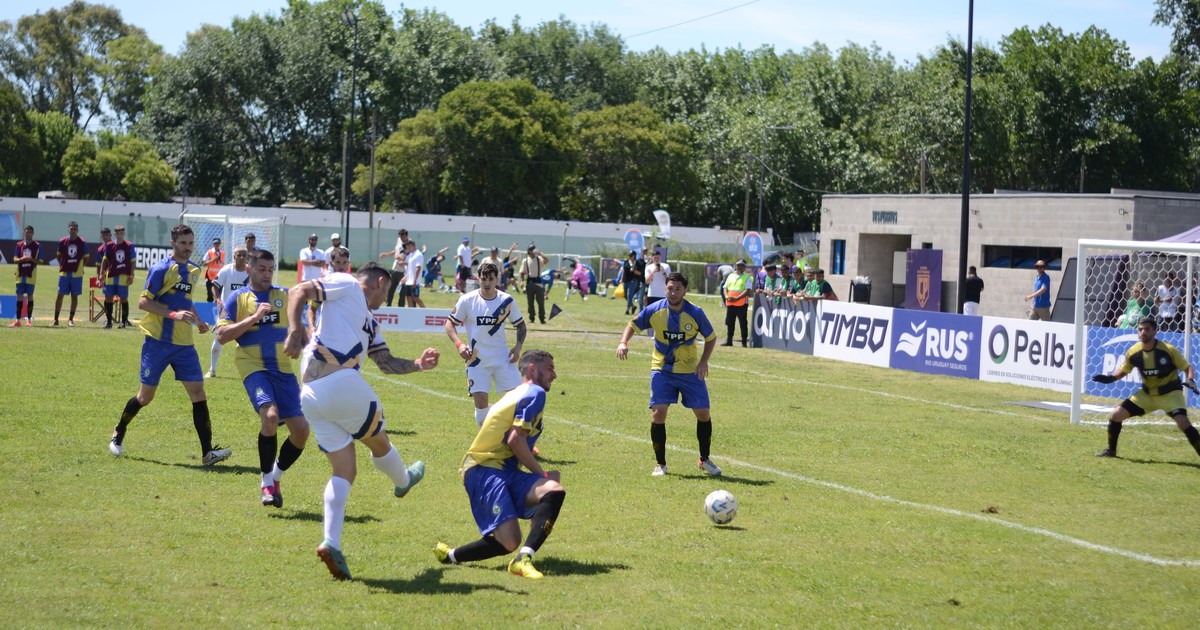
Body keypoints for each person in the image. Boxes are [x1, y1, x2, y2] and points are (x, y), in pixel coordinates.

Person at [283, 262, 439, 581]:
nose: (387, 297)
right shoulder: (348, 283)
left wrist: (418, 364)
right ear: (380, 281)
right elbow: (298, 290)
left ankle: (331, 541)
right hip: (340, 383)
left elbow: (386, 362)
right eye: (388, 290)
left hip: (311, 395)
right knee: (380, 443)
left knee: (344, 471)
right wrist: (295, 331)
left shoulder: (370, 322)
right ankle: (403, 480)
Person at [434, 349, 565, 580]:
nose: (554, 375)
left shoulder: (517, 392)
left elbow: (513, 440)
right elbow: (515, 440)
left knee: (547, 497)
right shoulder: (534, 392)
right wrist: (541, 473)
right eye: (549, 369)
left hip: (503, 470)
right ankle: (519, 559)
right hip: (484, 470)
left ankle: (452, 556)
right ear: (532, 369)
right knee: (512, 537)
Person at [108, 224, 232, 466]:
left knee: (198, 394)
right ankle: (119, 431)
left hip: (184, 344)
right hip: (157, 342)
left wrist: (198, 320)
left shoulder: (194, 270)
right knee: (145, 397)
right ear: (172, 243)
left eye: (191, 243)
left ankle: (208, 453)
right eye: (183, 243)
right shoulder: (161, 269)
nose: (188, 247)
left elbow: (186, 300)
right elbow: (143, 302)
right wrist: (173, 315)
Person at [216, 249, 309, 508]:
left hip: (283, 370)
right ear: (249, 269)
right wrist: (254, 318)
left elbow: (301, 331)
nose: (267, 274)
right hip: (253, 366)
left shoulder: (284, 295)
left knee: (301, 432)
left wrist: (311, 349)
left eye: (270, 269)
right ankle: (266, 482)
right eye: (261, 269)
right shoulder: (238, 298)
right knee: (270, 417)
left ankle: (275, 476)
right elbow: (221, 336)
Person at [616, 272, 722, 477]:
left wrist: (703, 362)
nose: (673, 293)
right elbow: (632, 324)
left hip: (690, 370)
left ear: (685, 291)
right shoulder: (654, 310)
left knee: (703, 414)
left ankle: (704, 459)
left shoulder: (695, 313)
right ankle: (661, 464)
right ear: (665, 289)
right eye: (670, 289)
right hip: (662, 370)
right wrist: (623, 342)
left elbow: (711, 337)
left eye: (678, 289)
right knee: (658, 414)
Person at [1091, 317, 1200, 459]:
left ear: (1154, 331)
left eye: (1147, 329)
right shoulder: (1133, 352)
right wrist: (1110, 378)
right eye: (1140, 329)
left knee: (1183, 422)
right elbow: (1124, 370)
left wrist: (1190, 380)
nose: (1143, 332)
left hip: (1170, 394)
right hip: (1147, 395)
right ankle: (1111, 451)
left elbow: (1187, 367)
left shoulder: (1168, 350)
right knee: (1116, 414)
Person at [445, 262, 527, 427]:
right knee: (481, 404)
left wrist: (518, 347)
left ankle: (515, 437)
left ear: (497, 279)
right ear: (478, 279)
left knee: (519, 400)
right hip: (477, 361)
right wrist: (459, 344)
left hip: (502, 359)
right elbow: (450, 324)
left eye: (491, 279)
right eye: (483, 279)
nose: (487, 283)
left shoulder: (506, 301)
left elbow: (521, 326)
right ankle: (486, 439)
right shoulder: (467, 300)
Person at [205, 246, 250, 378]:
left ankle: (251, 370)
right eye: (239, 255)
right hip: (227, 311)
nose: (241, 257)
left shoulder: (251, 272)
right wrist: (218, 299)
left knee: (250, 341)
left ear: (247, 257)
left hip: (246, 311)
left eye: (244, 255)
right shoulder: (227, 269)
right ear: (234, 256)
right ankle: (212, 369)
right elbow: (215, 286)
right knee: (219, 337)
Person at [99, 225, 136, 329]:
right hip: (110, 276)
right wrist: (101, 273)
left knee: (123, 299)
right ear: (114, 234)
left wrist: (131, 275)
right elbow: (105, 260)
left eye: (121, 233)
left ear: (124, 234)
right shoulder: (109, 245)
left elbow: (133, 262)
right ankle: (108, 321)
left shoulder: (129, 245)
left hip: (123, 276)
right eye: (118, 233)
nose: (120, 235)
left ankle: (123, 322)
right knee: (108, 298)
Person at [53, 221, 88, 327]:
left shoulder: (82, 242)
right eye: (71, 229)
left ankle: (71, 319)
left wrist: (80, 267)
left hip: (77, 274)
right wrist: (65, 265)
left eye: (75, 229)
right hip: (64, 273)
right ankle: (55, 319)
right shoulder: (63, 241)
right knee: (60, 295)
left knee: (74, 296)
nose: (73, 231)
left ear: (78, 230)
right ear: (68, 229)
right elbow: (59, 255)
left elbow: (86, 257)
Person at [11, 225, 40, 326]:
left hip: (31, 275)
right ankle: (18, 320)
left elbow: (40, 261)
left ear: (33, 233)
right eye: (27, 232)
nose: (28, 234)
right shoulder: (19, 245)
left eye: (30, 232)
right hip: (20, 275)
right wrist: (21, 259)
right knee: (19, 296)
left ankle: (29, 320)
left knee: (30, 296)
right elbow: (14, 259)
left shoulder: (37, 246)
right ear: (24, 232)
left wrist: (31, 259)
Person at [299, 233, 328, 326]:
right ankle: (302, 320)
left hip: (317, 279)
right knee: (304, 299)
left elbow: (322, 264)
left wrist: (310, 262)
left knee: (317, 299)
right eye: (312, 239)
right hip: (306, 278)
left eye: (315, 240)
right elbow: (304, 262)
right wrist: (315, 261)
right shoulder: (304, 251)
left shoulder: (321, 252)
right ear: (309, 240)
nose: (313, 241)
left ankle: (316, 319)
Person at [722, 260, 753, 347]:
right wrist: (726, 296)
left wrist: (737, 298)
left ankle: (744, 342)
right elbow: (725, 287)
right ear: (736, 266)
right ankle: (729, 341)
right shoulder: (731, 276)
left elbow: (747, 291)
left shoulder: (747, 277)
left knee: (743, 323)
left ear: (744, 267)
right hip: (730, 303)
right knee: (730, 322)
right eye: (738, 265)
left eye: (742, 266)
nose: (740, 267)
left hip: (741, 303)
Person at [377, 229, 409, 307]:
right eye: (400, 237)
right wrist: (387, 254)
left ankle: (401, 308)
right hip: (395, 269)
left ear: (406, 236)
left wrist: (401, 259)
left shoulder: (409, 244)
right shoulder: (399, 240)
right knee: (390, 289)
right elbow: (396, 251)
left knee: (402, 291)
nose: (402, 239)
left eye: (403, 237)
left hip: (403, 271)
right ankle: (388, 306)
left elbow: (410, 258)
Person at [519, 245, 549, 324]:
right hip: (529, 281)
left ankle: (542, 318)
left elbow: (546, 260)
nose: (532, 251)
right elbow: (522, 272)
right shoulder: (525, 260)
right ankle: (531, 318)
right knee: (530, 302)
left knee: (541, 302)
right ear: (528, 251)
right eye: (531, 249)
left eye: (533, 249)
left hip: (538, 281)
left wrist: (540, 254)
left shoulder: (539, 259)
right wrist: (521, 282)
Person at [401, 240, 426, 307]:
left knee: (415, 298)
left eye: (408, 246)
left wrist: (415, 280)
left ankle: (425, 310)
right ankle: (411, 312)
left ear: (412, 245)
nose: (407, 248)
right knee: (409, 298)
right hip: (408, 281)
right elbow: (409, 267)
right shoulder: (410, 255)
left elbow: (418, 268)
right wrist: (405, 277)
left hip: (415, 282)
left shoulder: (418, 254)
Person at [201, 237, 225, 302]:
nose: (216, 245)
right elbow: (204, 263)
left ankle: (218, 306)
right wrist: (213, 260)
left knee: (219, 295)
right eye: (215, 243)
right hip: (210, 276)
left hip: (220, 276)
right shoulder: (209, 252)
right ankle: (210, 307)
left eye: (218, 243)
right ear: (213, 244)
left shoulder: (223, 253)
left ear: (219, 244)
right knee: (210, 295)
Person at [621, 251, 643, 315]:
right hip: (625, 280)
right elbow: (624, 271)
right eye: (629, 256)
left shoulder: (637, 263)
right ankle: (633, 306)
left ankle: (627, 310)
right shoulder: (626, 262)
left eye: (631, 256)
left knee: (629, 294)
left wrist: (634, 270)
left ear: (634, 256)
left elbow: (640, 273)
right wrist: (621, 279)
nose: (629, 257)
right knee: (625, 295)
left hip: (633, 281)